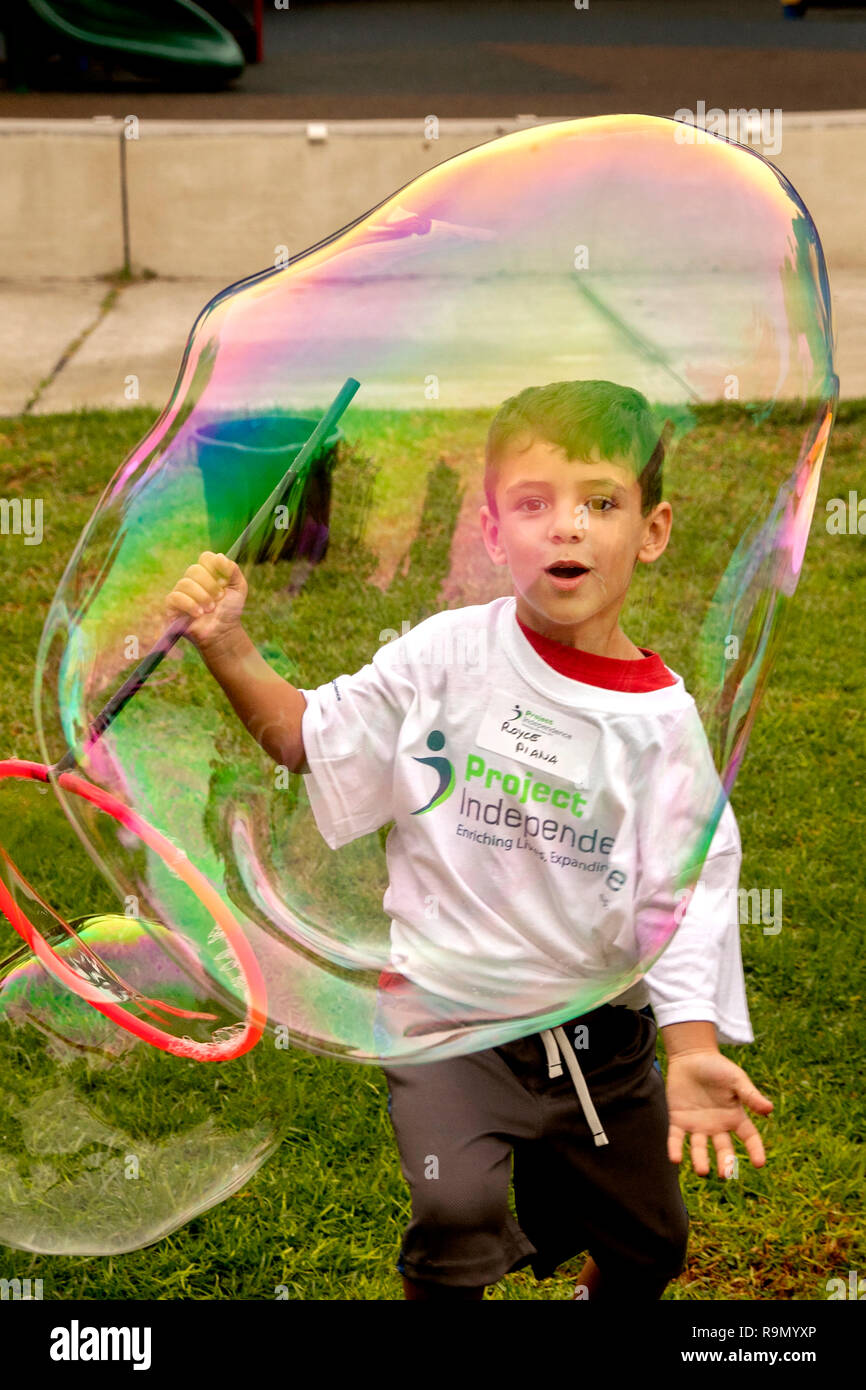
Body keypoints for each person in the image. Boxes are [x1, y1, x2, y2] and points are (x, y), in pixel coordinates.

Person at [165, 378, 774, 1302]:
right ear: (494, 534)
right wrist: (227, 644)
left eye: (599, 503)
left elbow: (682, 895)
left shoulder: (660, 727)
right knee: (456, 1217)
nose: (565, 527)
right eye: (533, 504)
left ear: (651, 532)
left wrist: (688, 1047)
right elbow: (306, 738)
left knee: (652, 1247)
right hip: (444, 1018)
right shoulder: (444, 657)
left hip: (599, 1044)